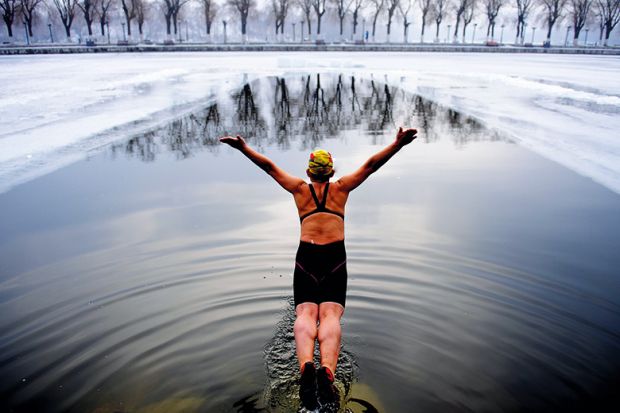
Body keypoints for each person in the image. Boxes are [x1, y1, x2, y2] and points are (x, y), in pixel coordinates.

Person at [220, 127, 418, 410]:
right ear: (331, 170)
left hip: (307, 257)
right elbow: (372, 165)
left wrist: (243, 148)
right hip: (335, 258)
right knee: (330, 315)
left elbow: (268, 167)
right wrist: (398, 144)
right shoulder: (342, 188)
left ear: (310, 171)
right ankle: (327, 370)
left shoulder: (300, 190)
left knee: (305, 312)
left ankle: (306, 368)